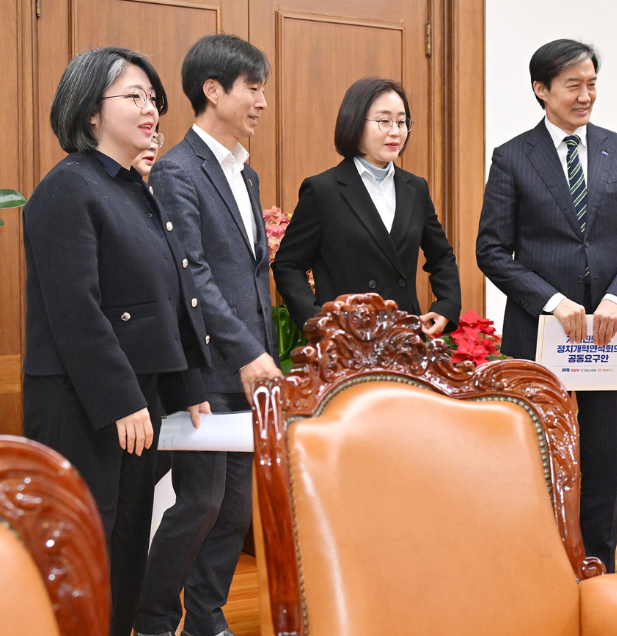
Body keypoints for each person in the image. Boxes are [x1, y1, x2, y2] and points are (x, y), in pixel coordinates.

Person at [21, 46, 211, 636]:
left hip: (136, 400)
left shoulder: (135, 189)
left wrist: (185, 388)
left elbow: (164, 302)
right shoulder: (66, 189)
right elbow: (76, 310)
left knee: (127, 542)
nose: (151, 108)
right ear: (90, 112)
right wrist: (123, 399)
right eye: (134, 96)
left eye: (153, 98)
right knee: (83, 548)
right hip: (83, 402)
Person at [475, 39, 617, 572]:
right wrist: (551, 301)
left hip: (607, 339)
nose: (585, 95)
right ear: (541, 89)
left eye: (592, 83)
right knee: (537, 460)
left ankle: (600, 576)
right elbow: (490, 251)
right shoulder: (512, 157)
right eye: (573, 85)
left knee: (602, 464)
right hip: (539, 338)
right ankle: (538, 575)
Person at [135, 34, 281, 636]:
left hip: (247, 368)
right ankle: (151, 616)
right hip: (204, 367)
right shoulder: (177, 170)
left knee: (232, 508)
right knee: (201, 500)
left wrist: (265, 351)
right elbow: (190, 272)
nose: (262, 102)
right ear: (213, 90)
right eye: (253, 87)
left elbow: (249, 274)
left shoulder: (243, 175)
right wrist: (247, 350)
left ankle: (206, 618)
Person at [272, 76, 460, 335]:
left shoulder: (415, 188)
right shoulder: (322, 190)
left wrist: (447, 304)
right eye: (384, 121)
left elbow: (441, 256)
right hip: (346, 343)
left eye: (402, 122)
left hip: (405, 339)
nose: (395, 131)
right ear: (355, 123)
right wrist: (318, 322)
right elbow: (288, 265)